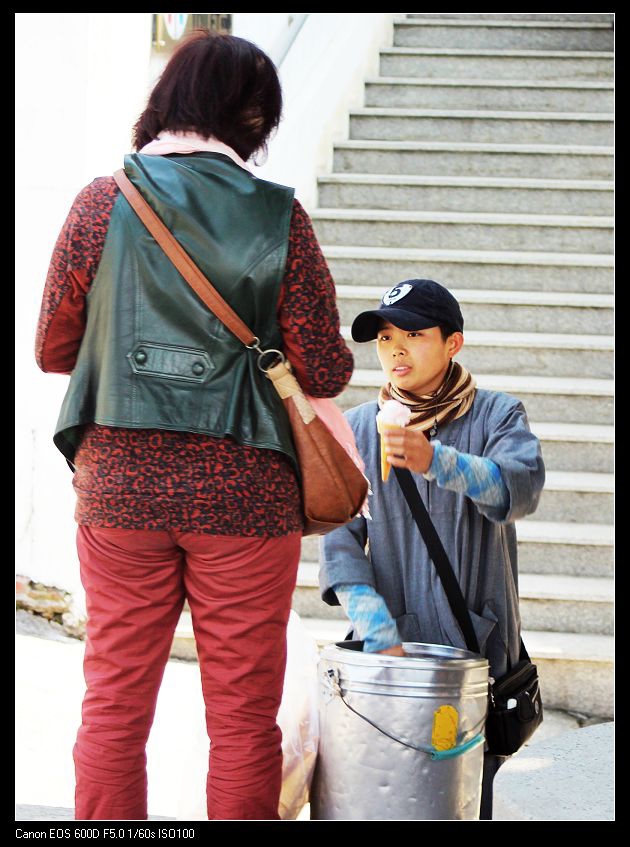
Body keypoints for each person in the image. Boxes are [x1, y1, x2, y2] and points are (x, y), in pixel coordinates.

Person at [35, 30, 353, 821]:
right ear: (251, 119)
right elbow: (323, 370)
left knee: (113, 702)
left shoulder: (102, 202)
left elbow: (53, 346)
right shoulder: (281, 217)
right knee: (242, 718)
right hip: (246, 497)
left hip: (121, 491)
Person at [318, 278, 545, 820]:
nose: (395, 349)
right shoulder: (354, 430)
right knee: (384, 796)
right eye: (385, 336)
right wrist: (376, 627)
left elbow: (519, 489)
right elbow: (340, 538)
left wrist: (436, 460)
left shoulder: (497, 415)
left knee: (471, 799)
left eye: (414, 334)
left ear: (453, 343)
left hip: (478, 651)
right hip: (391, 663)